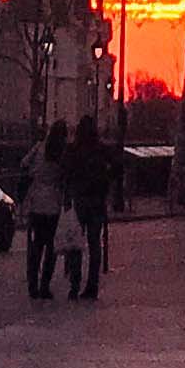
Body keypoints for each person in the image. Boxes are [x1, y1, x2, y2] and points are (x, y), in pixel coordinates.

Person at [65, 115, 113, 303]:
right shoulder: (101, 150)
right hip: (97, 202)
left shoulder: (74, 150)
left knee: (75, 244)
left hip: (80, 200)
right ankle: (92, 285)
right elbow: (114, 168)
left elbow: (67, 173)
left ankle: (74, 284)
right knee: (94, 245)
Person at [23, 119, 70, 299]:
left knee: (36, 245)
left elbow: (24, 163)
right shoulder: (62, 152)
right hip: (54, 203)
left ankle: (32, 284)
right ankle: (45, 285)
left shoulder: (39, 147)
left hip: (36, 202)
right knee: (51, 247)